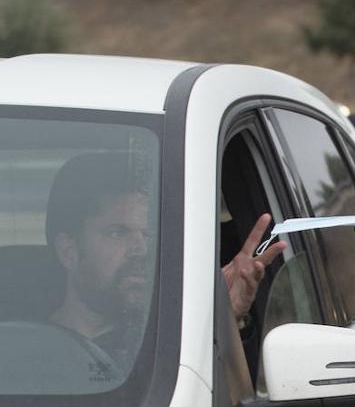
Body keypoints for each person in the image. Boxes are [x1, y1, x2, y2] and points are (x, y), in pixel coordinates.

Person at [46, 152, 285, 369]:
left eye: (148, 233)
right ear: (69, 251)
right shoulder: (20, 351)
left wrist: (224, 321)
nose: (141, 249)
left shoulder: (175, 344)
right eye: (117, 233)